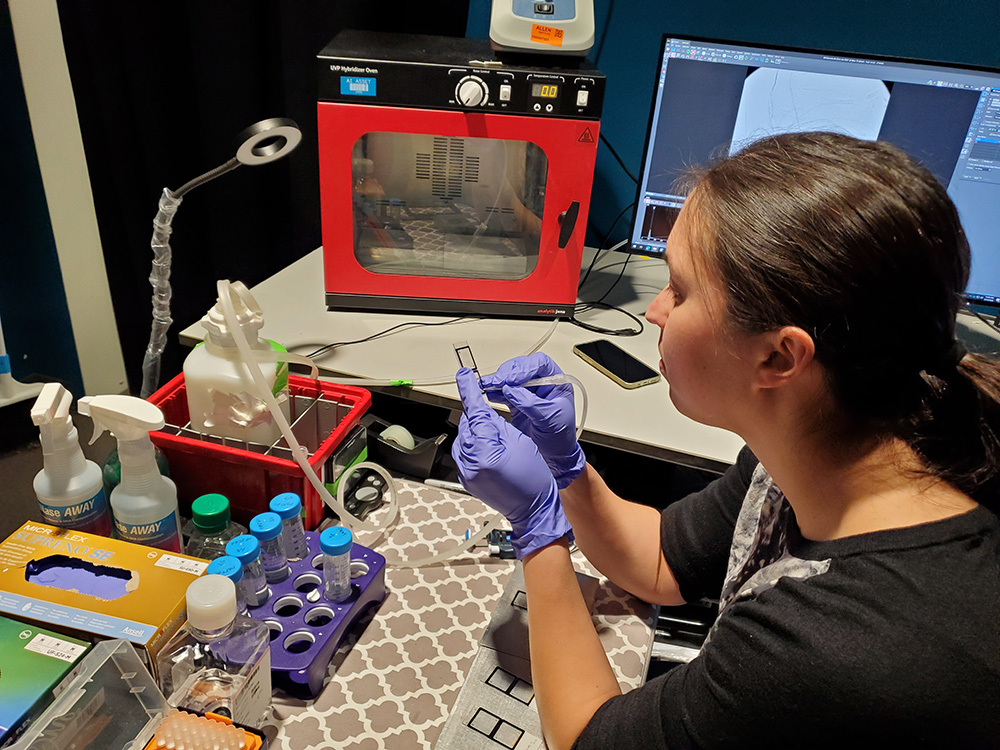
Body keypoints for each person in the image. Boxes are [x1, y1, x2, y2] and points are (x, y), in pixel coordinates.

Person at [451, 131, 1000, 749]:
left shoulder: (831, 643)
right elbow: (661, 562)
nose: (656, 310)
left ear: (778, 358)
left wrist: (536, 529)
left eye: (680, 290)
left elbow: (583, 739)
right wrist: (566, 467)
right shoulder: (825, 444)